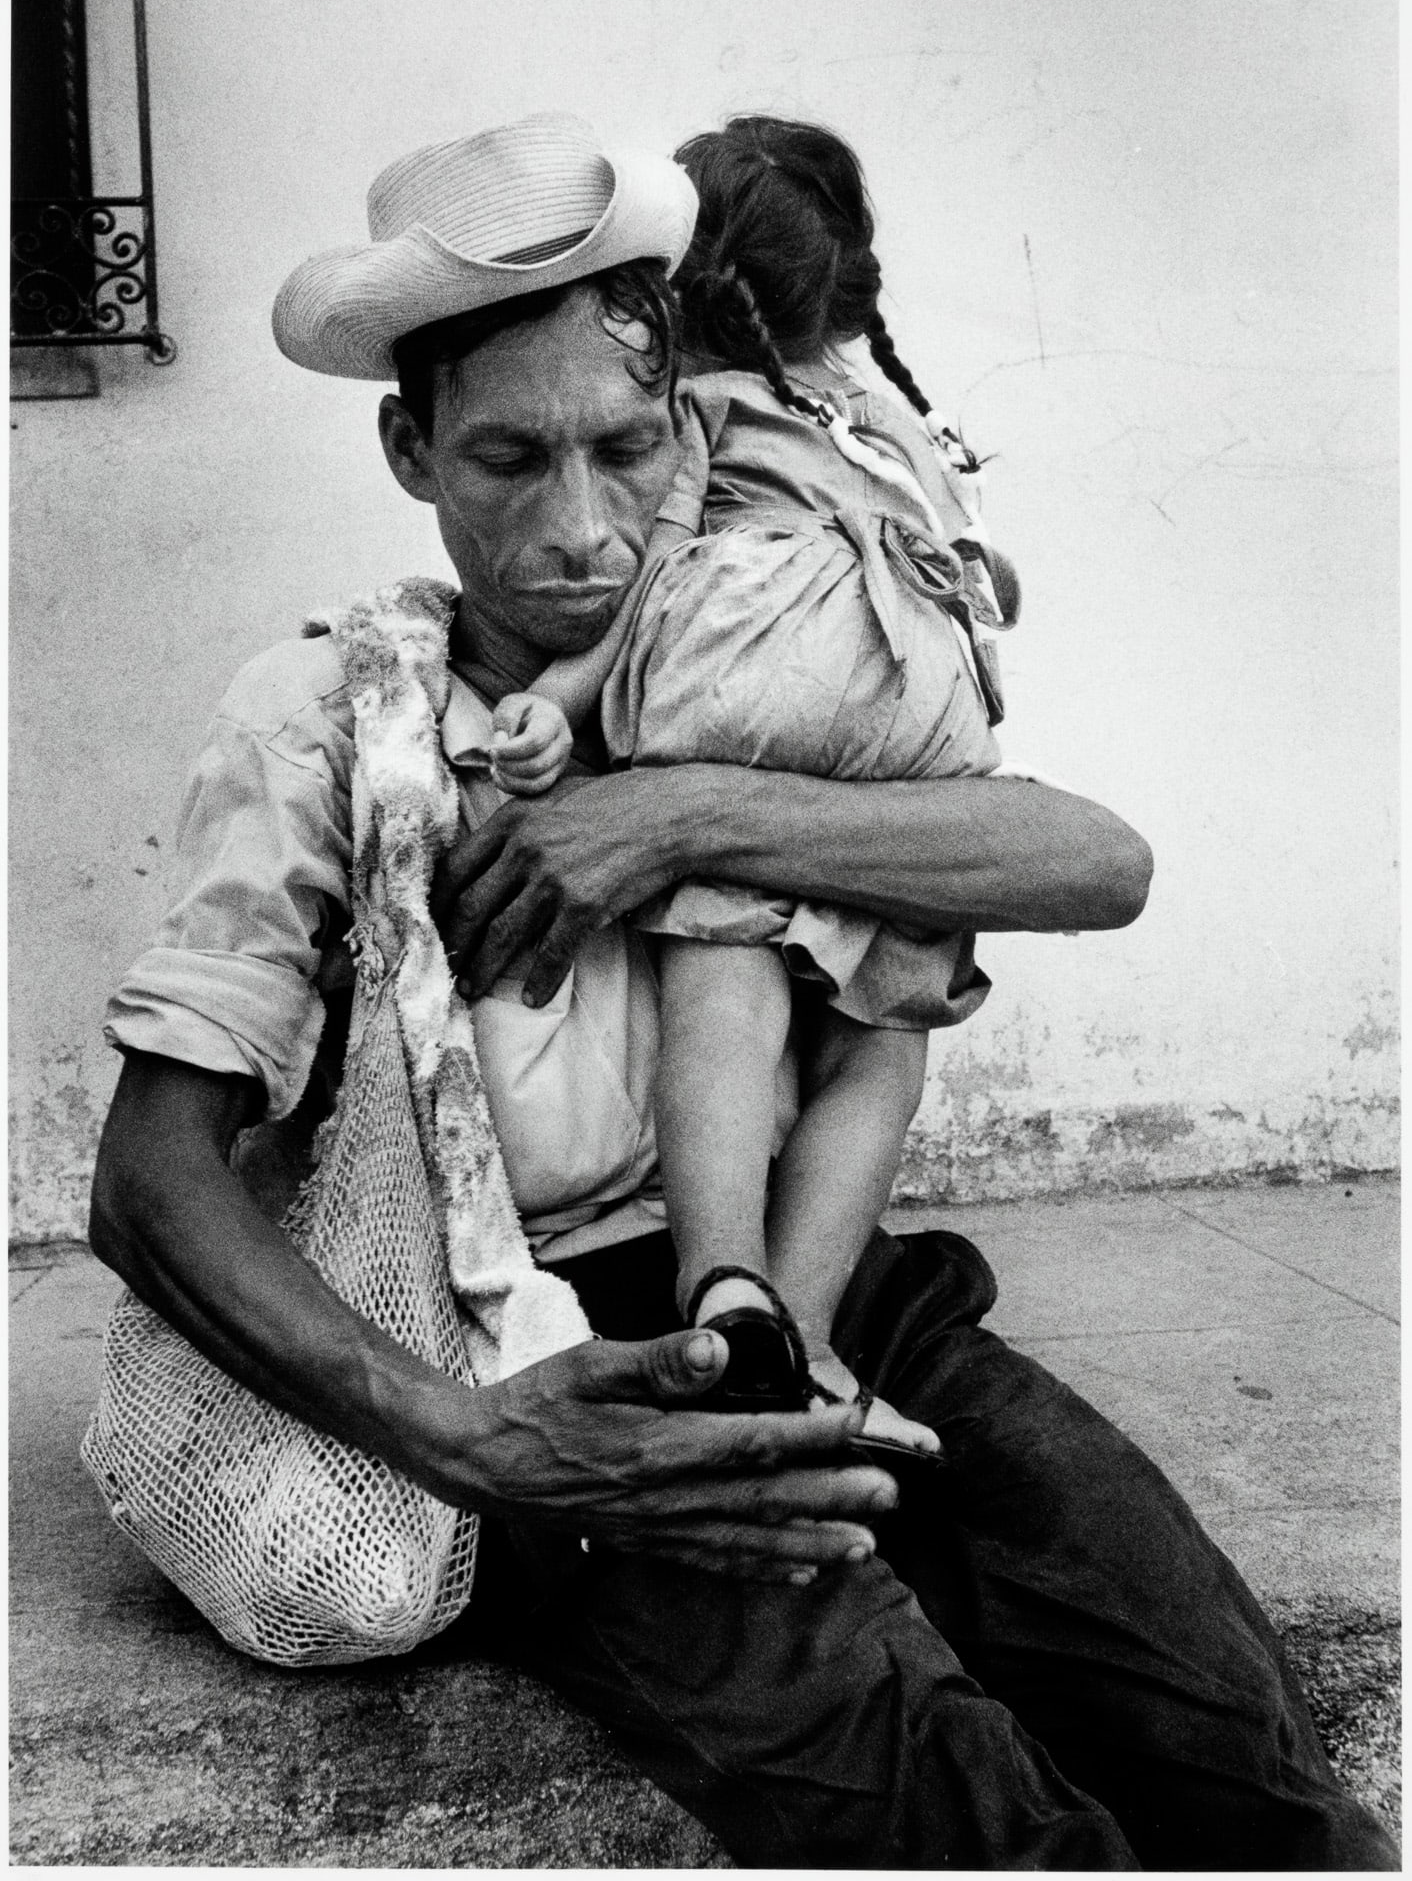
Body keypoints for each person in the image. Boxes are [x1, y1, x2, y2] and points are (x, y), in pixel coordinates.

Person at [90, 113, 1395, 1869]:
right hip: (559, 1343)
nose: (581, 527)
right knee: (963, 1819)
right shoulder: (330, 721)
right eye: (505, 460)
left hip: (841, 1298)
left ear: (691, 419)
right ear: (409, 448)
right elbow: (148, 1175)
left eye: (626, 448)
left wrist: (672, 812)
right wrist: (472, 1442)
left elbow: (1097, 861)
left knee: (1237, 1758)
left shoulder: (748, 654)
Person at [478, 115, 1025, 1466]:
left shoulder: (697, 405)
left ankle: (724, 1279)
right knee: (882, 1043)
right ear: (849, 284)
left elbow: (659, 557)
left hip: (744, 701)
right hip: (911, 715)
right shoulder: (885, 409)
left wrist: (556, 700)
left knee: (721, 988)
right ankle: (817, 1327)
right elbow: (982, 567)